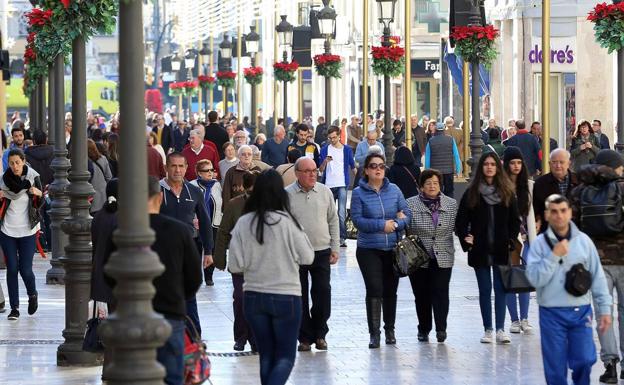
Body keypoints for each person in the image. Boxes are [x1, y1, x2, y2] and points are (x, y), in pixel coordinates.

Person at [228, 169, 314, 385]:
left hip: (254, 297)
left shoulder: (244, 223)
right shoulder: (288, 222)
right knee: (284, 357)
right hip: (286, 296)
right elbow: (308, 256)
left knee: (266, 356)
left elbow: (234, 264)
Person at [526, 194, 612, 385]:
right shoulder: (540, 244)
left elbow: (597, 277)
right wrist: (553, 256)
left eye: (563, 211)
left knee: (585, 360)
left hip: (580, 311)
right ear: (547, 215)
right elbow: (534, 278)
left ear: (570, 213)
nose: (559, 216)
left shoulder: (584, 242)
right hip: (551, 313)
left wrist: (605, 310)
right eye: (554, 212)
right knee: (555, 368)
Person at [569, 150, 624, 383]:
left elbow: (572, 228)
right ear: (614, 167)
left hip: (595, 262)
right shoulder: (622, 188)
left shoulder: (580, 191)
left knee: (604, 312)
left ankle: (610, 364)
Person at [456, 152, 520, 344]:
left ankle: (500, 328)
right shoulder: (472, 192)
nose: (490, 167)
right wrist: (466, 240)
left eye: (493, 164)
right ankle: (488, 329)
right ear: (481, 168)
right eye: (486, 164)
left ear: (498, 168)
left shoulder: (506, 192)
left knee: (501, 289)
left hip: (501, 248)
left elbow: (514, 220)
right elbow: (461, 220)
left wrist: (510, 239)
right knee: (485, 290)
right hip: (480, 249)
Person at [351, 153, 411, 348]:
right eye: (374, 166)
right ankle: (374, 333)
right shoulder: (359, 193)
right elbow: (357, 220)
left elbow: (406, 215)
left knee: (390, 291)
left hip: (392, 248)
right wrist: (381, 225)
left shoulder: (394, 190)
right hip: (369, 249)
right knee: (374, 289)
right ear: (366, 170)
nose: (378, 169)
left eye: (382, 166)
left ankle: (390, 330)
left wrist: (396, 223)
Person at [147, 176, 203, 384]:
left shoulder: (122, 229)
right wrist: (180, 296)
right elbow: (194, 277)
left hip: (132, 316)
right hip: (170, 310)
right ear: (160, 197)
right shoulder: (179, 230)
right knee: (173, 376)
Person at [286, 157, 340, 352]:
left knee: (322, 293)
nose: (312, 174)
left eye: (314, 170)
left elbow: (333, 220)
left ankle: (320, 333)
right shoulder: (287, 194)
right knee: (299, 297)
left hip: (321, 251)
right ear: (297, 173)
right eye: (307, 171)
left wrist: (335, 247)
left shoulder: (324, 191)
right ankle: (304, 337)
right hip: (296, 254)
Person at [159, 152, 213, 336]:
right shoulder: (156, 190)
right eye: (173, 166)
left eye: (181, 166)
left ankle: (194, 336)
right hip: (162, 252)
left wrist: (209, 251)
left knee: (189, 294)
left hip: (189, 250)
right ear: (166, 168)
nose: (177, 170)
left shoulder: (194, 191)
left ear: (187, 168)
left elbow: (205, 222)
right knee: (165, 293)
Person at [406, 169, 457, 343]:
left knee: (441, 292)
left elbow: (460, 225)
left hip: (443, 254)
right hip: (419, 256)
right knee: (421, 295)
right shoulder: (410, 204)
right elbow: (404, 227)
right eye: (428, 183)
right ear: (421, 186)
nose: (432, 186)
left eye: (435, 183)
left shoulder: (450, 204)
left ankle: (441, 328)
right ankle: (424, 328)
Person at [214, 171, 259, 352]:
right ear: (246, 188)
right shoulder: (234, 205)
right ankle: (240, 337)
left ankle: (256, 339)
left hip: (261, 264)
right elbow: (223, 231)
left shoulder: (269, 205)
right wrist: (219, 258)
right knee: (240, 300)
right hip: (239, 262)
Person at [0, 149, 42, 320]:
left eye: (18, 162)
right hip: (7, 230)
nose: (15, 166)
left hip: (28, 230)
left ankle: (32, 294)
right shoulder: (3, 180)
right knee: (12, 269)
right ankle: (14, 308)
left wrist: (38, 194)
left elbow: (39, 204)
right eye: (11, 163)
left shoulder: (33, 177)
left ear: (23, 161)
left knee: (25, 269)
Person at [502, 147, 537, 334]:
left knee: (525, 276)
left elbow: (534, 212)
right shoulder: (501, 187)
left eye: (519, 163)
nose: (516, 166)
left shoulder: (530, 186)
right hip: (511, 239)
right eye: (512, 163)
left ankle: (524, 318)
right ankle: (514, 320)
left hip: (528, 237)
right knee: (510, 277)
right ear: (507, 165)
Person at [319, 126, 356, 247]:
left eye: (334, 137)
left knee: (341, 212)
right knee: (329, 212)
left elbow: (353, 167)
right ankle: (329, 237)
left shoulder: (347, 150)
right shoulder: (324, 149)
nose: (332, 140)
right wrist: (325, 161)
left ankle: (342, 238)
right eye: (330, 138)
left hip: (342, 184)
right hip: (328, 184)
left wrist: (361, 181)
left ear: (339, 136)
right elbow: (320, 170)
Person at [190, 159, 222, 287]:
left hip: (213, 223)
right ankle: (196, 278)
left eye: (212, 170)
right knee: (196, 252)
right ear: (199, 173)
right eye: (206, 170)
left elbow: (222, 202)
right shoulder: (192, 185)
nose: (210, 173)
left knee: (211, 250)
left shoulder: (217, 185)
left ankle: (209, 277)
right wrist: (193, 218)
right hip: (197, 224)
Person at [425, 124, 461, 198]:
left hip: (435, 172)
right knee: (449, 192)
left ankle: (438, 208)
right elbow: (456, 156)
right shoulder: (451, 139)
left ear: (436, 129)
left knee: (437, 192)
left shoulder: (431, 141)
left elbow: (427, 158)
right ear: (444, 129)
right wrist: (458, 170)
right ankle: (450, 208)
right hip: (449, 171)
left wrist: (427, 172)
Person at [88, 139, 112, 214]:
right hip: (103, 195)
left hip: (90, 197)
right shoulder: (103, 159)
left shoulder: (84, 162)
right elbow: (109, 177)